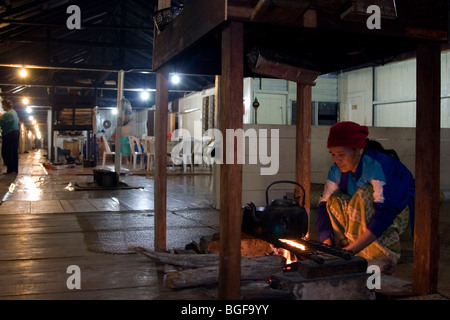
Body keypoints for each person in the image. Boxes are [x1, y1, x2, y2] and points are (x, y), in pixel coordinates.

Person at [316, 121, 415, 264]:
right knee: (333, 201)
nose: (336, 159)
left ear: (359, 150)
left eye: (341, 154)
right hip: (365, 216)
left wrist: (350, 252)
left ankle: (378, 254)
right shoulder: (336, 170)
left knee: (364, 194)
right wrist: (325, 244)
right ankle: (345, 248)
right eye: (332, 154)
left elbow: (384, 213)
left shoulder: (379, 166)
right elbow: (323, 204)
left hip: (396, 212)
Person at [0, 98, 20, 174]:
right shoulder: (14, 112)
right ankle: (15, 169)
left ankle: (10, 169)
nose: (2, 107)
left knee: (6, 152)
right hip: (16, 133)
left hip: (9, 134)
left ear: (5, 105)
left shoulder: (8, 114)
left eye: (3, 106)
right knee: (14, 151)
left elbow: (1, 122)